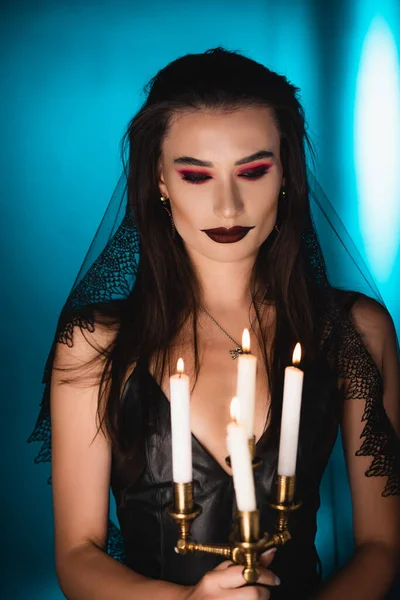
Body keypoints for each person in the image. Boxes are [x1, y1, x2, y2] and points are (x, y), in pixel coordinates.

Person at [29, 47, 400, 599]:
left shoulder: (353, 332)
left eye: (252, 170)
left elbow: (383, 547)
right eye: (196, 176)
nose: (228, 206)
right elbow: (77, 555)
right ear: (159, 179)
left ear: (285, 174)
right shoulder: (94, 344)